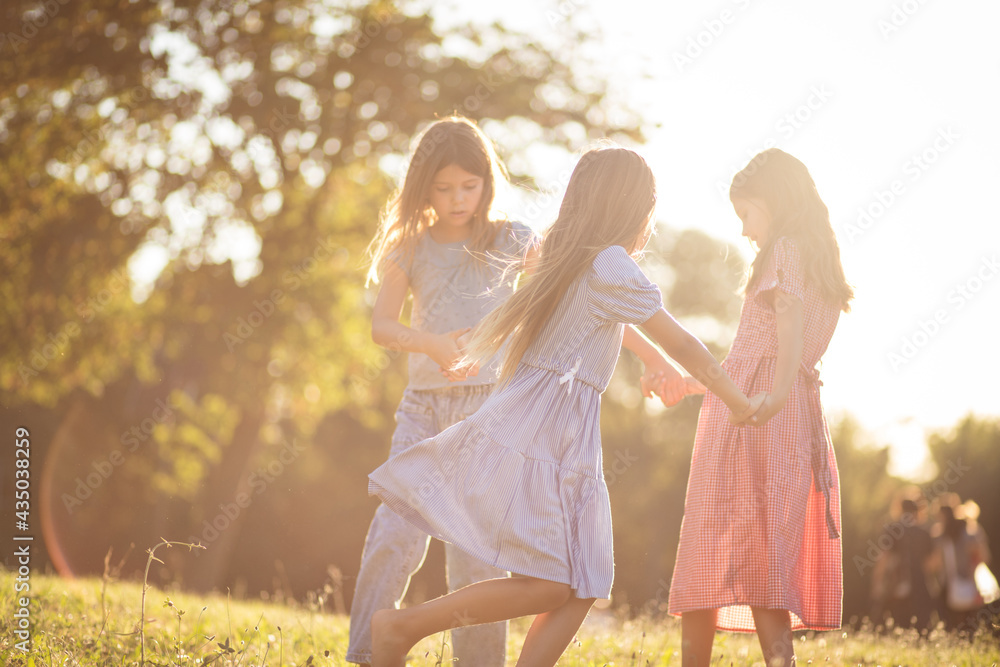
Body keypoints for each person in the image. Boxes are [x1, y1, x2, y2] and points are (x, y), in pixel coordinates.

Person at [367, 146, 764, 666]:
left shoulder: (573, 254)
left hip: (563, 432)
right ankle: (401, 626)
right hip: (542, 432)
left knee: (584, 579)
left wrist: (672, 376)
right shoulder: (610, 263)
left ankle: (407, 628)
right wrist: (741, 401)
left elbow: (635, 344)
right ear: (635, 209)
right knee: (553, 582)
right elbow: (683, 342)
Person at [668, 148, 854, 667]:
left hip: (757, 419)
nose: (746, 231)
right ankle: (780, 663)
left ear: (774, 202)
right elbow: (756, 353)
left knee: (713, 543)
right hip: (787, 414)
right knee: (764, 553)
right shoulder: (819, 260)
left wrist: (771, 394)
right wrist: (693, 383)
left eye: (746, 214)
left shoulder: (786, 250)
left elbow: (781, 328)